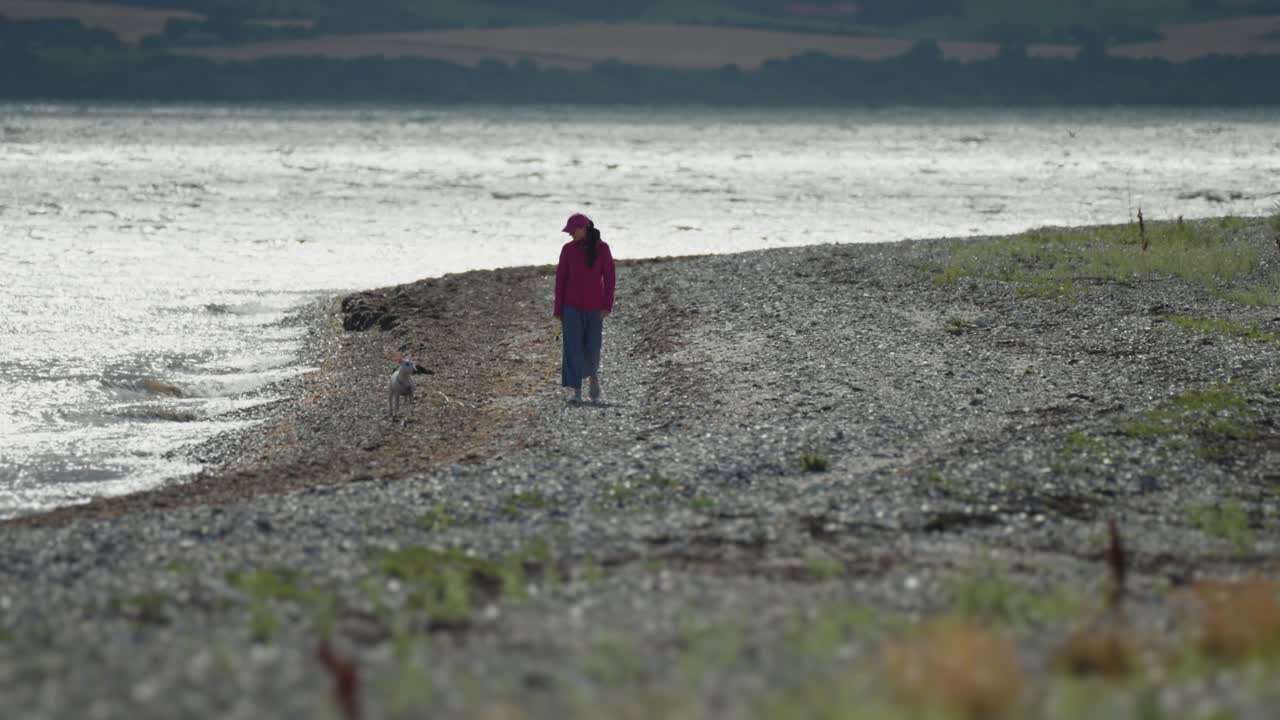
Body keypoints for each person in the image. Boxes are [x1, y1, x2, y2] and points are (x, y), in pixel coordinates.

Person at [554, 212, 616, 403]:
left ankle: (593, 378)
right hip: (570, 307)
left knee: (592, 347)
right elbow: (561, 280)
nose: (570, 234)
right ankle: (576, 392)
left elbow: (610, 278)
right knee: (572, 348)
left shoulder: (602, 248)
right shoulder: (567, 249)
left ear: (584, 229)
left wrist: (607, 305)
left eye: (573, 230)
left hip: (595, 308)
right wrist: (558, 309)